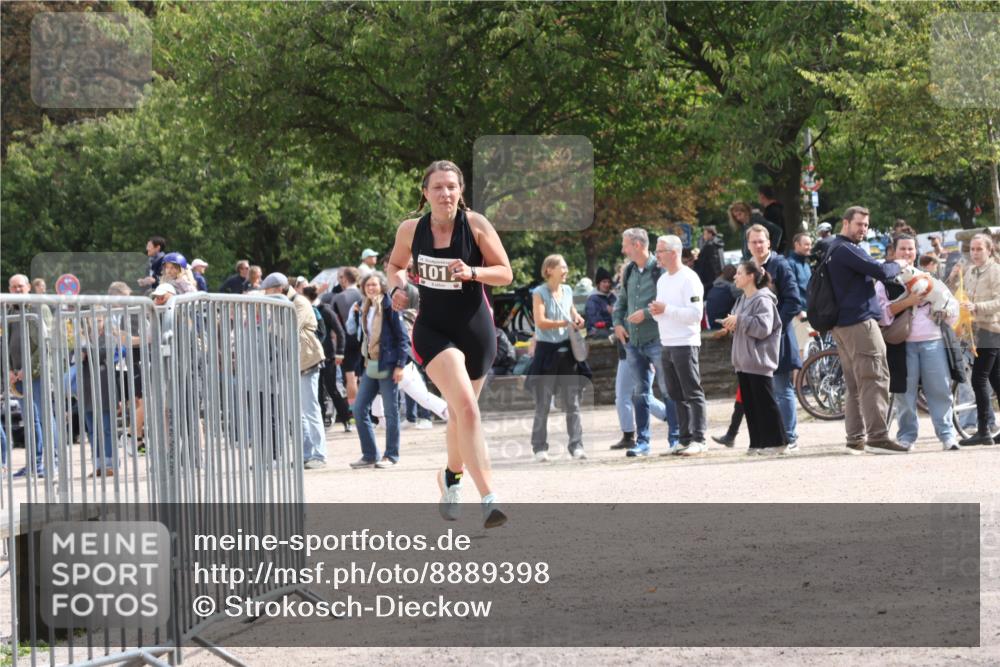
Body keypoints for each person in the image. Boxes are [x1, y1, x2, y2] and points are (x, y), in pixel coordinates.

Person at [385, 160, 512, 529]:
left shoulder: (476, 225)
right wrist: (397, 288)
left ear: (461, 192)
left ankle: (450, 479)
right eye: (438, 187)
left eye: (452, 187)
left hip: (477, 331)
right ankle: (490, 498)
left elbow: (505, 272)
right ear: (425, 193)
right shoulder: (411, 229)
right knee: (468, 410)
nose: (446, 194)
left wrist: (473, 272)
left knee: (460, 414)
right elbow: (394, 265)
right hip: (433, 330)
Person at [827, 206, 908, 453]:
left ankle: (855, 438)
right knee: (875, 378)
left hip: (842, 324)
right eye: (858, 224)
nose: (863, 229)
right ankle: (878, 437)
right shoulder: (845, 249)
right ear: (845, 223)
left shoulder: (832, 249)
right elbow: (882, 271)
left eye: (865, 225)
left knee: (854, 385)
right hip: (859, 323)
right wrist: (899, 263)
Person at [875, 234, 959, 451]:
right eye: (902, 249)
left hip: (934, 341)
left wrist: (944, 310)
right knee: (905, 393)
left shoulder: (928, 277)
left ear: (916, 251)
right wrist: (909, 302)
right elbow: (881, 314)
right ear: (894, 252)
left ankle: (947, 434)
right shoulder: (885, 281)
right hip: (902, 344)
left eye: (911, 249)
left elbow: (952, 308)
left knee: (940, 389)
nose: (907, 253)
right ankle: (907, 436)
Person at [612, 228, 681, 457]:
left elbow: (668, 302)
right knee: (640, 392)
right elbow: (621, 302)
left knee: (668, 389)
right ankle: (642, 442)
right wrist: (618, 324)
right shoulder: (629, 270)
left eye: (625, 245)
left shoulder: (660, 270)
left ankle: (675, 438)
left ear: (638, 245)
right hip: (632, 341)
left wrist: (646, 314)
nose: (623, 249)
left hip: (656, 340)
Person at [261, 272, 327, 468]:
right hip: (294, 363)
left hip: (307, 361)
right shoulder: (283, 304)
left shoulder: (300, 303)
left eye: (269, 290)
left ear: (279, 289)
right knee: (297, 413)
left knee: (311, 410)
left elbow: (290, 330)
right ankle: (307, 454)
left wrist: (271, 325)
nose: (266, 295)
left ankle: (319, 454)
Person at [649, 235, 708, 455]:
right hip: (667, 342)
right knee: (675, 393)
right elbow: (662, 313)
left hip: (685, 342)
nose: (657, 255)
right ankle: (684, 439)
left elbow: (695, 314)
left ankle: (699, 439)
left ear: (673, 253)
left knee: (692, 391)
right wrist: (656, 312)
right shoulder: (663, 280)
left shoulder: (689, 278)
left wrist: (666, 310)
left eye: (660, 251)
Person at [746, 224, 802, 449]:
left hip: (778, 338)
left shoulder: (780, 265)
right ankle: (772, 438)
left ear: (769, 243)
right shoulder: (747, 267)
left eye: (761, 241)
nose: (758, 245)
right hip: (755, 340)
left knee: (782, 388)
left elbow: (793, 301)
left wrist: (771, 326)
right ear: (748, 245)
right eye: (754, 242)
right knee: (763, 391)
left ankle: (790, 438)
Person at [527, 254, 588, 462]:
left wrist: (578, 320)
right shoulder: (539, 293)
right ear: (549, 270)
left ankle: (577, 446)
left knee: (573, 403)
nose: (566, 271)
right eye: (562, 267)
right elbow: (540, 322)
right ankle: (539, 448)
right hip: (546, 351)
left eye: (566, 266)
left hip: (566, 351)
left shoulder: (568, 290)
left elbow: (573, 314)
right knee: (542, 404)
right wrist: (565, 323)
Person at [721, 261, 787, 453]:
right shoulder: (742, 299)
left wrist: (739, 320)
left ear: (750, 276)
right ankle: (757, 442)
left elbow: (764, 327)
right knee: (751, 405)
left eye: (739, 273)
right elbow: (740, 322)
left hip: (759, 360)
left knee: (765, 404)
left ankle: (778, 442)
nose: (735, 276)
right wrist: (731, 324)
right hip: (743, 361)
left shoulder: (763, 299)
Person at [346, 272, 408, 468]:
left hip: (389, 365)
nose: (371, 288)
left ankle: (391, 455)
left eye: (374, 285)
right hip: (370, 364)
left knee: (391, 412)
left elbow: (403, 339)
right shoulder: (365, 307)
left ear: (382, 286)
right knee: (358, 409)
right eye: (367, 285)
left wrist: (400, 365)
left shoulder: (390, 306)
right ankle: (370, 454)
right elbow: (362, 337)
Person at [6, 274, 57, 478]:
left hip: (37, 372)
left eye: (21, 286)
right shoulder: (10, 310)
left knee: (45, 417)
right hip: (19, 376)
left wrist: (27, 368)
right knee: (30, 420)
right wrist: (10, 369)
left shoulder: (38, 307)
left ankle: (53, 462)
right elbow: (8, 343)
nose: (18, 290)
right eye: (14, 287)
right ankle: (34, 464)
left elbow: (45, 343)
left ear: (28, 287)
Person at [957, 233, 1000, 446]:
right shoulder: (971, 271)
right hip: (977, 330)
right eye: (972, 249)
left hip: (991, 330)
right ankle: (987, 430)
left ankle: (983, 430)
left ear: (989, 250)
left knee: (978, 379)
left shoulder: (996, 271)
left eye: (979, 249)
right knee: (995, 380)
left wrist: (977, 307)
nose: (974, 253)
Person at [303, 284, 351, 430]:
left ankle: (346, 419)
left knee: (332, 388)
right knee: (316, 391)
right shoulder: (305, 311)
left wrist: (340, 352)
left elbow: (340, 331)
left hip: (328, 356)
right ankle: (321, 421)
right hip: (313, 357)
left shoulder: (325, 310)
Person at [332, 267, 364, 412]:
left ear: (344, 278)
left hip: (346, 339)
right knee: (365, 377)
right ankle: (370, 412)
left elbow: (334, 325)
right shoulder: (363, 294)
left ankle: (355, 411)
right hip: (365, 338)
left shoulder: (338, 297)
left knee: (351, 378)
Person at [787, 233, 814, 358]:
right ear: (796, 245)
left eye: (810, 244)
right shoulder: (790, 264)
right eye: (806, 244)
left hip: (809, 313)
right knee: (803, 353)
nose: (809, 247)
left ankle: (804, 378)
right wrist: (797, 311)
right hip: (800, 315)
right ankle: (801, 379)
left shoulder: (806, 264)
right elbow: (789, 289)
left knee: (810, 351)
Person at [704, 264, 741, 330]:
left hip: (712, 323)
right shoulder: (733, 288)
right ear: (734, 277)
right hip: (723, 325)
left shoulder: (714, 286)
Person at [584, 267, 616, 336]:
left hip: (612, 328)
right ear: (598, 283)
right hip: (595, 331)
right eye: (604, 282)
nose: (607, 284)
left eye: (608, 282)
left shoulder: (612, 296)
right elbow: (595, 321)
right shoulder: (592, 299)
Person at [694, 225, 726, 294]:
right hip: (720, 275)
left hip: (711, 277)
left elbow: (701, 262)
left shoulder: (709, 245)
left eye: (705, 234)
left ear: (710, 234)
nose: (703, 236)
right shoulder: (719, 243)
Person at [757, 185, 787, 253]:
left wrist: (771, 250)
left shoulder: (771, 211)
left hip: (775, 250)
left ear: (762, 195)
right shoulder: (777, 208)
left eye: (758, 195)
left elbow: (774, 231)